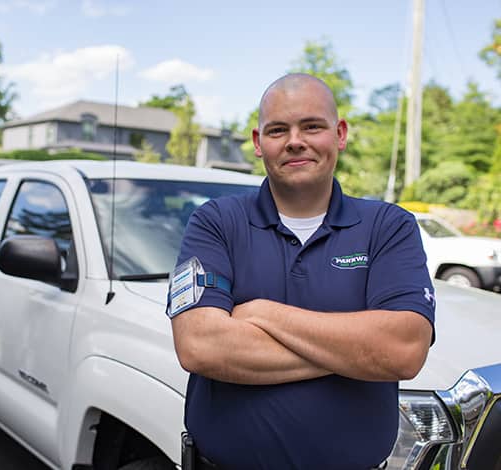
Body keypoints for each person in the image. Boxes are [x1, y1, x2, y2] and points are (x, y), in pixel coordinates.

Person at [167, 73, 435, 470]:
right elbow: (199, 346)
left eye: (312, 126)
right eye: (278, 130)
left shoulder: (388, 226)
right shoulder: (216, 222)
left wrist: (262, 313)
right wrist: (359, 352)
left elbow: (404, 350)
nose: (295, 140)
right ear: (259, 143)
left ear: (339, 134)